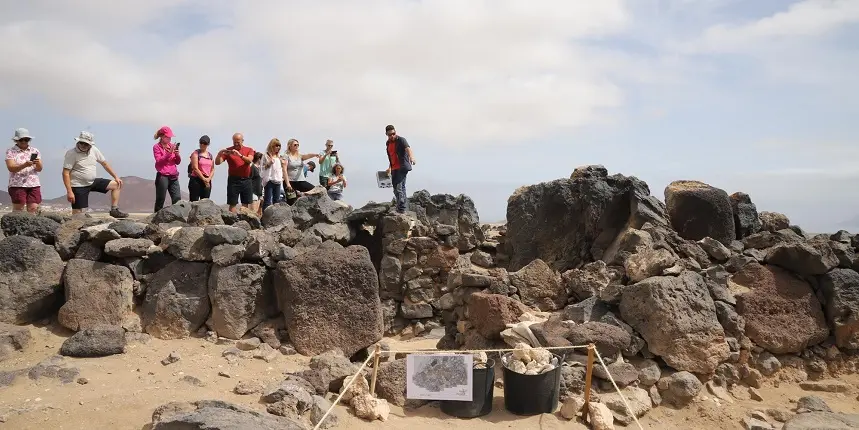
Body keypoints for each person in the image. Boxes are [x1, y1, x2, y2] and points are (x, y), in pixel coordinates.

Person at [62, 131, 128, 218]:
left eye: (86, 144)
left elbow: (104, 163)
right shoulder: (71, 153)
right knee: (78, 215)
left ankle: (114, 210)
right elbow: (65, 173)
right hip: (78, 185)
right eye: (82, 143)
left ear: (90, 144)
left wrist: (116, 177)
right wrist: (69, 191)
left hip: (92, 182)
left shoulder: (94, 150)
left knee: (116, 185)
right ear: (78, 142)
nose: (83, 146)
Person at [215, 132, 255, 213]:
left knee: (245, 202)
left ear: (242, 140)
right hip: (233, 180)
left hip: (246, 179)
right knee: (232, 202)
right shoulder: (229, 150)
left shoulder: (249, 149)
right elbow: (218, 162)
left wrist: (240, 155)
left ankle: (244, 220)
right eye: (234, 142)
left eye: (238, 142)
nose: (236, 144)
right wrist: (220, 154)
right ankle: (232, 220)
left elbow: (249, 160)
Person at [5, 128, 43, 213]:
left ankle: (32, 226)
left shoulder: (35, 151)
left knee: (33, 208)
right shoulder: (11, 151)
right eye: (21, 139)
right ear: (16, 140)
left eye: (26, 139)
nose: (24, 141)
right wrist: (24, 165)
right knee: (18, 209)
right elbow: (11, 167)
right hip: (17, 184)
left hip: (33, 184)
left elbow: (39, 169)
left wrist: (37, 163)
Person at [384, 124, 416, 213]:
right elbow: (392, 156)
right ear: (386, 134)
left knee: (399, 187)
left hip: (402, 167)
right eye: (390, 134)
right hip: (394, 168)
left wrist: (411, 157)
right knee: (397, 188)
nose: (392, 136)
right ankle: (403, 207)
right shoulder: (388, 143)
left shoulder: (401, 140)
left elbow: (408, 149)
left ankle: (401, 208)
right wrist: (390, 167)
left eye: (393, 133)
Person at [152, 125, 181, 213]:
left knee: (177, 198)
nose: (169, 139)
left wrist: (177, 154)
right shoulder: (156, 147)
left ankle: (177, 217)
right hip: (163, 176)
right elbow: (159, 161)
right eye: (167, 137)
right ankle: (156, 217)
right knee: (161, 198)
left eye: (170, 137)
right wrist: (168, 153)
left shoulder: (172, 146)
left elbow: (177, 162)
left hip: (173, 175)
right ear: (162, 136)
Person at [283, 139, 319, 204]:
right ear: (290, 146)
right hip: (290, 182)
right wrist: (288, 184)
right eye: (295, 145)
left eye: (298, 145)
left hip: (300, 181)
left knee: (314, 191)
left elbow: (307, 155)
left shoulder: (299, 156)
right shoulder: (286, 156)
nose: (297, 146)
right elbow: (284, 170)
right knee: (291, 202)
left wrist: (315, 155)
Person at [188, 135, 215, 201]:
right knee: (194, 201)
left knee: (205, 202)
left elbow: (213, 169)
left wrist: (208, 179)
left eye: (205, 143)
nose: (202, 144)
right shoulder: (195, 153)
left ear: (208, 144)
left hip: (207, 180)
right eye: (201, 142)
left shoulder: (210, 155)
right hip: (196, 180)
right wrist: (204, 179)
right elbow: (195, 168)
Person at [260, 138, 284, 211]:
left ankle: (275, 216)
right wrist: (269, 163)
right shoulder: (266, 155)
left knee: (277, 200)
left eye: (279, 146)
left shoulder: (279, 156)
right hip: (269, 180)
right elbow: (262, 168)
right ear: (272, 146)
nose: (278, 147)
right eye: (276, 145)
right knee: (267, 200)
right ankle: (265, 217)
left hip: (278, 180)